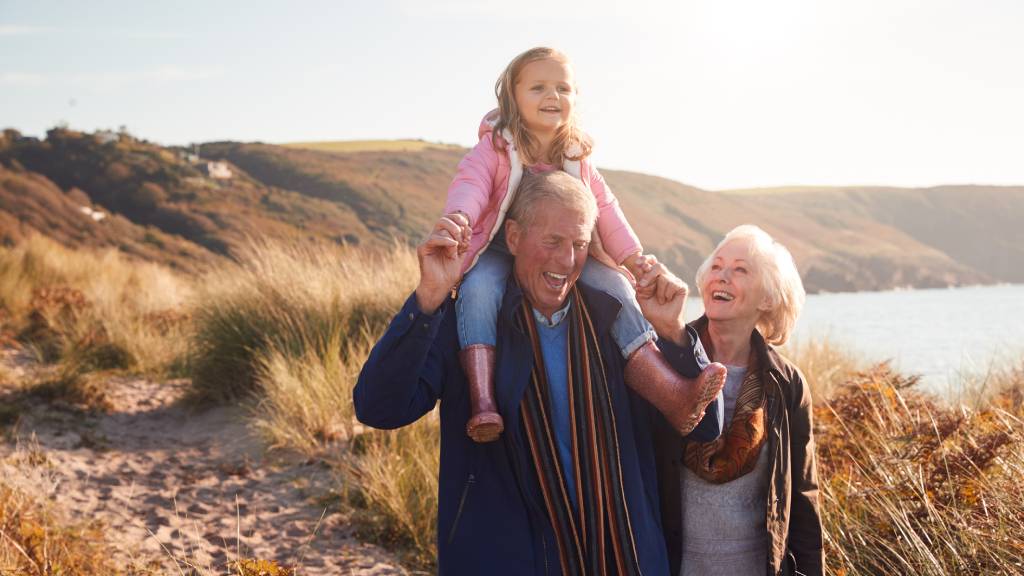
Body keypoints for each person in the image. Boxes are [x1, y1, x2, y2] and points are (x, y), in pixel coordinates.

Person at [354, 170, 725, 575]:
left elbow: (704, 428)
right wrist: (428, 299)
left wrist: (672, 332)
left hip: (626, 560)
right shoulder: (470, 328)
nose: (567, 261)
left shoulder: (618, 323)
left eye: (579, 244)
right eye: (552, 241)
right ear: (512, 237)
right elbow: (379, 408)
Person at [440, 46, 725, 443]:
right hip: (499, 247)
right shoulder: (497, 147)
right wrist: (459, 219)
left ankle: (672, 393)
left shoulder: (576, 157)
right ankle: (483, 400)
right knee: (478, 290)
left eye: (563, 88)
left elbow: (605, 208)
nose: (552, 96)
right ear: (512, 95)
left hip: (567, 250)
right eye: (538, 87)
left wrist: (632, 258)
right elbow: (471, 185)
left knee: (618, 288)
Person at [652, 225, 824, 576]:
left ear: (767, 298)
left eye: (740, 269)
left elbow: (804, 497)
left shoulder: (787, 384)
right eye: (716, 267)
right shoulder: (665, 359)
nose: (723, 277)